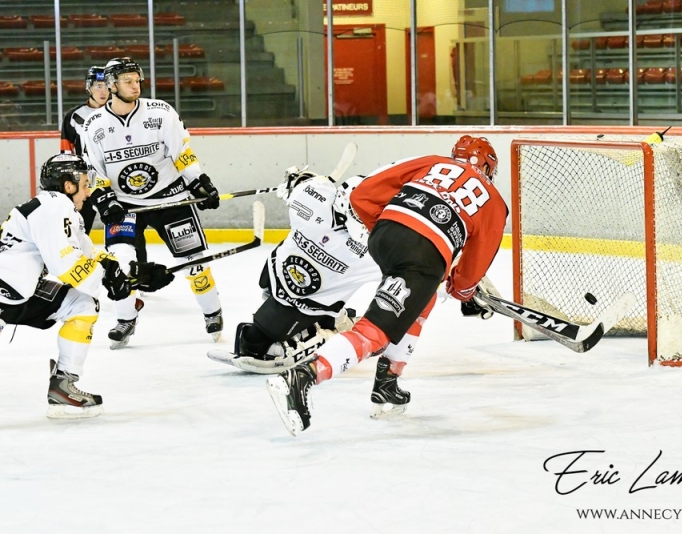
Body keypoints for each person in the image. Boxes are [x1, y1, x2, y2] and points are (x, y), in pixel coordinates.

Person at [266, 135, 508, 435]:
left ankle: (388, 382)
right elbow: (476, 262)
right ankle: (302, 377)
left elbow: (363, 194)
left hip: (385, 234)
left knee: (423, 297)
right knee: (374, 334)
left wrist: (388, 231)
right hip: (422, 255)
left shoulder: (432, 162)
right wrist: (462, 289)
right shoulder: (494, 200)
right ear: (487, 166)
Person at [210, 166, 434, 418]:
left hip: (277, 281)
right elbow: (414, 275)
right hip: (308, 302)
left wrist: (297, 180)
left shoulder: (310, 195)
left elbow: (305, 184)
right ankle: (331, 329)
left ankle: (328, 325)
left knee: (263, 328)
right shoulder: (377, 248)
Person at [0, 154, 173, 419]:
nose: (88, 189)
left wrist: (133, 273)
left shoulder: (64, 210)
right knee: (82, 301)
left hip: (15, 291)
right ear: (68, 185)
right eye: (83, 182)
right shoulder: (54, 208)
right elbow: (68, 267)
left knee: (81, 305)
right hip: (8, 290)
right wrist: (114, 281)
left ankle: (63, 385)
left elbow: (88, 255)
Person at [82, 57, 224, 349]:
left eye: (137, 80)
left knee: (194, 263)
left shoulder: (160, 112)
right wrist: (104, 199)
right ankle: (125, 319)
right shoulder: (94, 124)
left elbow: (182, 152)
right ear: (110, 85)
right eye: (128, 81)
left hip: (171, 199)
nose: (136, 86)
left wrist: (198, 181)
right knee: (120, 264)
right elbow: (93, 170)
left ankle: (212, 312)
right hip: (126, 206)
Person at [60, 66, 109, 235]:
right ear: (89, 87)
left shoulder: (120, 112)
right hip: (86, 183)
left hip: (114, 181)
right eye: (98, 86)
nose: (103, 92)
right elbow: (66, 154)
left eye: (107, 86)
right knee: (78, 231)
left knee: (123, 232)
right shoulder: (74, 116)